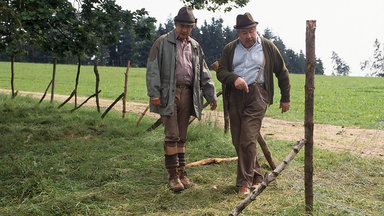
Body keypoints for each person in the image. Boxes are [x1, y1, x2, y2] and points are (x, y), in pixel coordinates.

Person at [216, 12, 291, 195]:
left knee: (248, 137)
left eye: (251, 31)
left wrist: (285, 97)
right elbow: (221, 71)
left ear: (256, 29)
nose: (248, 36)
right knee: (237, 138)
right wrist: (234, 79)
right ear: (238, 33)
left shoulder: (268, 47)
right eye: (244, 32)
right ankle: (257, 177)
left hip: (258, 95)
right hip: (235, 95)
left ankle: (244, 183)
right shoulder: (230, 49)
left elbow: (282, 71)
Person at [146, 6, 217, 192]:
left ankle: (182, 172)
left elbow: (203, 72)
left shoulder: (195, 46)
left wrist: (211, 95)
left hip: (189, 93)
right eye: (182, 25)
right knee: (172, 135)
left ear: (192, 27)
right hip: (168, 94)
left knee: (183, 136)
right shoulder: (162, 42)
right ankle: (172, 175)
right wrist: (154, 93)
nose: (185, 29)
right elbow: (153, 68)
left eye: (188, 26)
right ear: (175, 25)